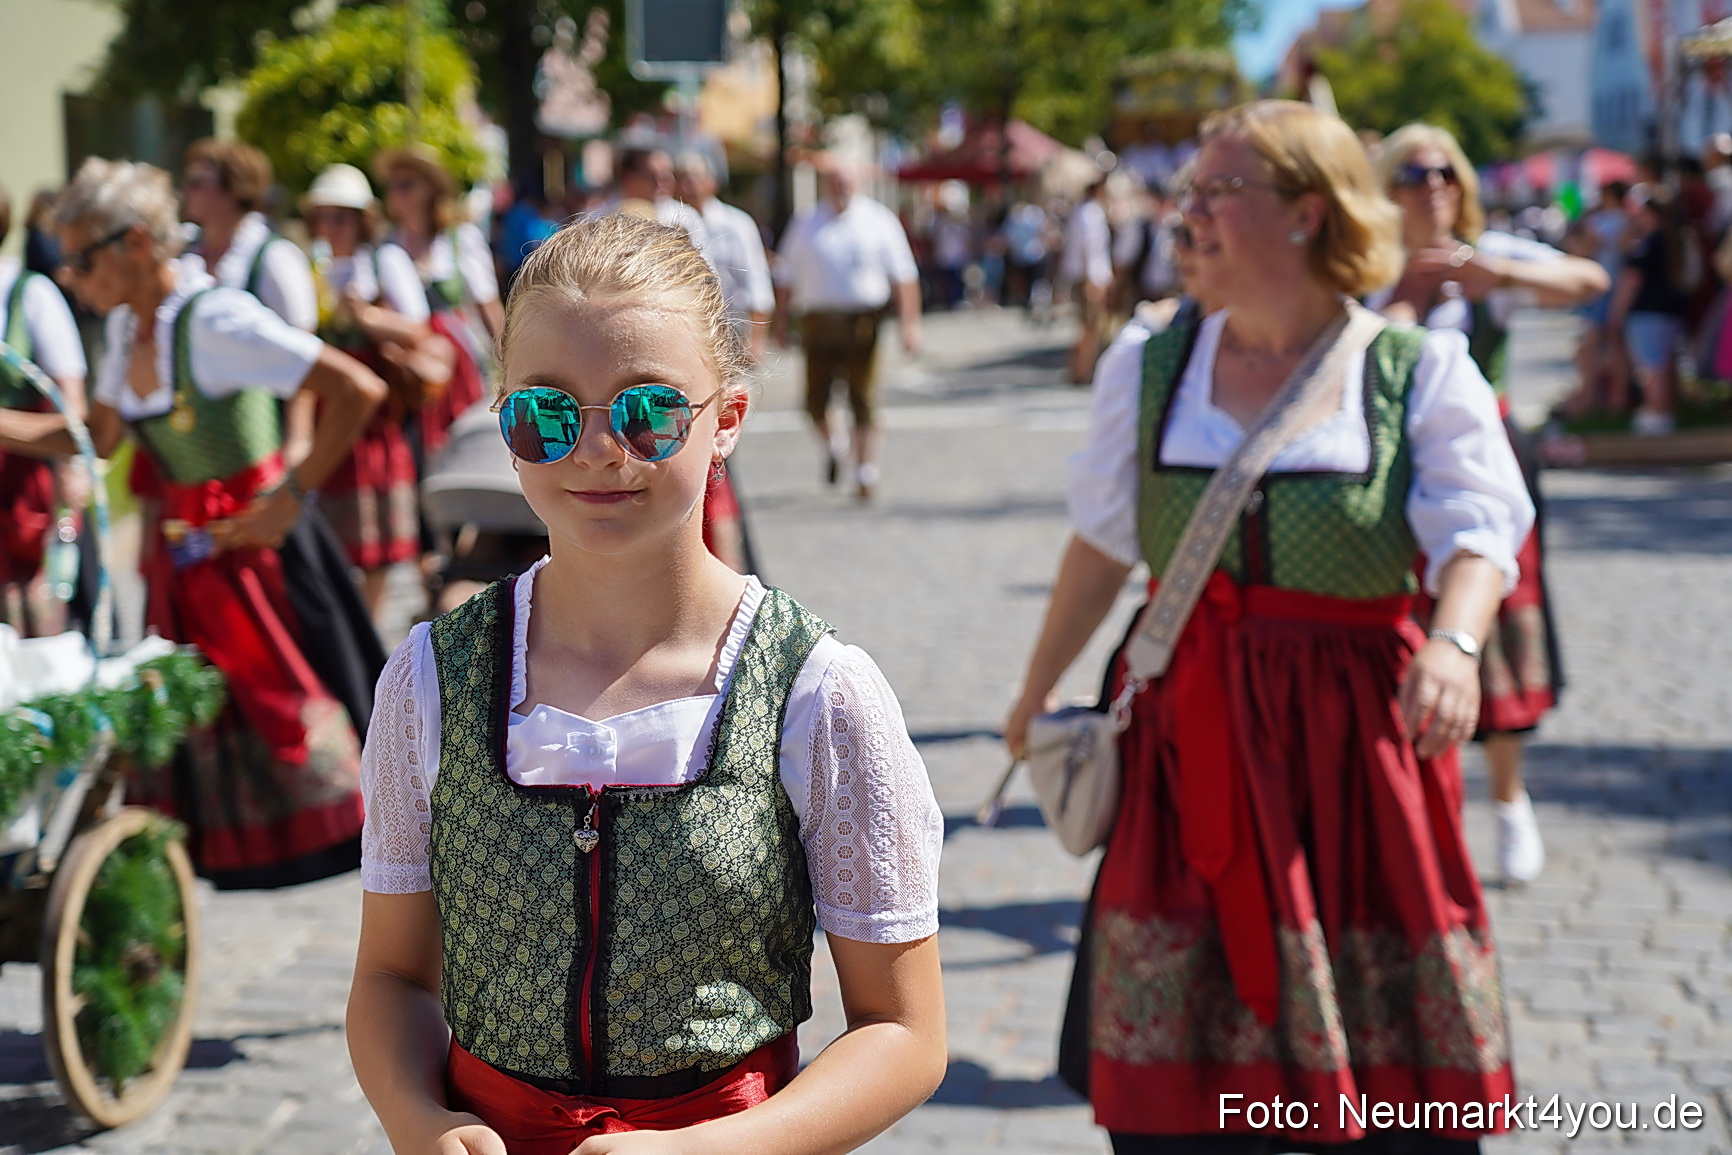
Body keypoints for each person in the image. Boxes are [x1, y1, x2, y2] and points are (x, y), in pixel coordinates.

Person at [346, 213, 946, 1154]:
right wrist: (419, 1120)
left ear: (727, 424)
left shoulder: (815, 692)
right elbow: (390, 976)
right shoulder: (432, 678)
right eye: (547, 412)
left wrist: (709, 1147)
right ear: (504, 422)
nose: (596, 451)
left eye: (647, 411)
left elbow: (904, 1030)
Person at [1006, 101, 1533, 1152]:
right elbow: (1103, 548)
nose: (1185, 214)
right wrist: (1034, 693)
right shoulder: (1149, 367)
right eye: (1186, 192)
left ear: (1304, 212)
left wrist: (1455, 640)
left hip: (1353, 749)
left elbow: (1482, 533)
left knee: (1397, 1101)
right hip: (1187, 736)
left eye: (1215, 191)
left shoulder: (1411, 369)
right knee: (1177, 1106)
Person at [46, 157, 388, 889]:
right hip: (189, 561)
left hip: (260, 558)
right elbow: (96, 438)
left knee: (292, 711)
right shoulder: (125, 333)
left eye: (82, 259)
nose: (72, 278)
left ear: (136, 243)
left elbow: (355, 387)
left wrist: (291, 496)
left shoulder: (216, 318)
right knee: (199, 721)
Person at [1371, 122, 1608, 885]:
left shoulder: (1488, 254)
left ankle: (1508, 800)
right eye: (1414, 173)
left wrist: (1495, 275)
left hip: (1488, 471)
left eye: (1445, 172)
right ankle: (1405, 808)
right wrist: (1402, 294)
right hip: (1386, 476)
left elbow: (1588, 282)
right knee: (1393, 635)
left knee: (1497, 633)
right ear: (1386, 188)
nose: (1432, 185)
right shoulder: (1366, 268)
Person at [303, 163, 437, 618]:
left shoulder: (384, 262)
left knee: (377, 542)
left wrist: (368, 319)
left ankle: (368, 623)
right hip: (330, 419)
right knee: (335, 539)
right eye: (323, 216)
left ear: (362, 218)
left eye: (341, 215)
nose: (331, 226)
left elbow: (420, 332)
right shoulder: (311, 268)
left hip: (377, 419)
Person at [774, 158, 921, 501]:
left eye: (846, 180)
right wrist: (779, 323)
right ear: (825, 185)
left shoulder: (878, 220)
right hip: (817, 321)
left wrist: (910, 325)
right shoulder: (806, 222)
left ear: (857, 183)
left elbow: (904, 275)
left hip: (862, 321)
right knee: (814, 401)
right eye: (834, 180)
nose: (840, 187)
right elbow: (785, 277)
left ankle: (866, 471)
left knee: (863, 398)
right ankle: (836, 445)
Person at [0, 179, 89, 637]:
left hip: (22, 477)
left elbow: (70, 394)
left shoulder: (27, 292)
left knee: (32, 605)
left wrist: (73, 468)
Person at [375, 145, 503, 459]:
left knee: (465, 447)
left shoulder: (460, 240)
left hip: (461, 363)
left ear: (431, 189)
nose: (397, 193)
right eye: (392, 185)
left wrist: (510, 366)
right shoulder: (384, 247)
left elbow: (489, 307)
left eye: (407, 184)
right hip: (411, 368)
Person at [673, 151, 774, 363]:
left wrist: (756, 339)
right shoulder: (670, 221)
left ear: (712, 182)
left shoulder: (737, 224)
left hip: (731, 326)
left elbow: (756, 281)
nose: (690, 185)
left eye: (696, 177)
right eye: (683, 178)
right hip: (686, 326)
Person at [1611, 184, 1692, 436]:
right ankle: (1664, 412)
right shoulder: (1674, 240)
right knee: (1664, 364)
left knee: (1650, 367)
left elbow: (1632, 278)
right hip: (1672, 310)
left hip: (1648, 312)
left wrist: (1617, 311)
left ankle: (1657, 414)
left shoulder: (1648, 242)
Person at [596, 146, 712, 258]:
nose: (663, 183)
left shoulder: (686, 217)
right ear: (628, 178)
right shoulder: (598, 216)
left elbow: (704, 267)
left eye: (668, 175)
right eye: (653, 176)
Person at [1059, 178, 1113, 384]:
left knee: (1086, 326)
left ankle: (1080, 369)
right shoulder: (1091, 213)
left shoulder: (1082, 211)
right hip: (1090, 277)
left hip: (1084, 276)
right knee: (1090, 327)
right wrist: (1094, 280)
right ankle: (1083, 371)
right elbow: (1091, 248)